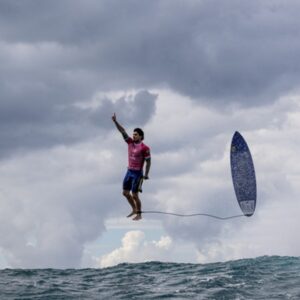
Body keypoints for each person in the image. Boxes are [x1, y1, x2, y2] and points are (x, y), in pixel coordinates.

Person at [112, 113, 151, 221]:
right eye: (133, 134)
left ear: (141, 136)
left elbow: (148, 162)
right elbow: (122, 131)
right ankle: (134, 209)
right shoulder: (130, 143)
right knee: (125, 193)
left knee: (134, 195)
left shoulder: (145, 148)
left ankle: (139, 214)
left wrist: (146, 174)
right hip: (129, 171)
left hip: (137, 174)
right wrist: (115, 122)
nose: (133, 136)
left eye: (136, 135)